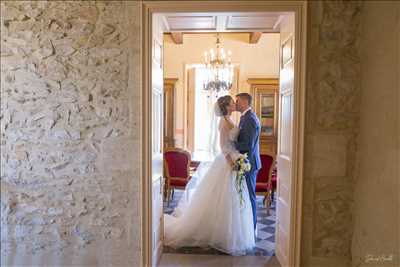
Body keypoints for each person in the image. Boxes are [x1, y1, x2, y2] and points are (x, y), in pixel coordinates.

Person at [164, 95, 255, 256]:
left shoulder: (230, 119)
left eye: (236, 102)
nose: (235, 103)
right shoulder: (223, 122)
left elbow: (234, 142)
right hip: (227, 162)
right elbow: (223, 146)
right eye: (232, 102)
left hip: (234, 159)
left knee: (233, 199)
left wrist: (237, 158)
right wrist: (231, 161)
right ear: (227, 106)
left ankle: (230, 233)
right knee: (224, 199)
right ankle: (218, 235)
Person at [235, 93, 261, 231]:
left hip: (249, 163)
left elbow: (247, 144)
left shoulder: (250, 119)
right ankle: (247, 227)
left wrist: (231, 145)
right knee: (245, 195)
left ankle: (252, 229)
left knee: (250, 196)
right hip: (246, 161)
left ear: (244, 102)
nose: (235, 103)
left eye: (237, 101)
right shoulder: (245, 117)